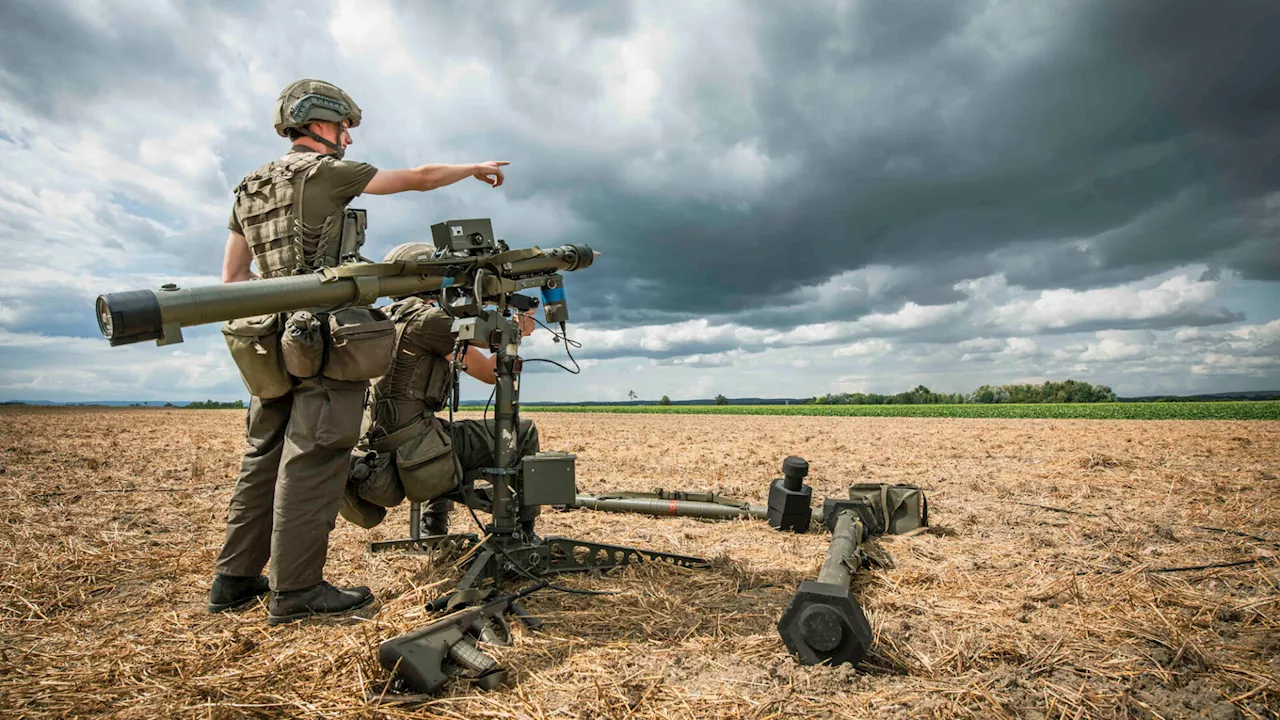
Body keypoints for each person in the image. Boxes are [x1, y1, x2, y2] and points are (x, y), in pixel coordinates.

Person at [208, 78, 510, 625]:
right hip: (322, 342)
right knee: (315, 457)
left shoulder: (248, 187)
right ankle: (296, 590)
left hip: (266, 344)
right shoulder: (324, 172)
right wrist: (471, 168)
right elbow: (416, 180)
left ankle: (234, 580)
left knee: (264, 458)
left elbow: (233, 277)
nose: (347, 136)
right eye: (343, 125)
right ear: (319, 122)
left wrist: (279, 310)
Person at [338, 247, 541, 539]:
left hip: (379, 441)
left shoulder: (382, 316)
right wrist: (516, 332)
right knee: (523, 432)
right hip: (413, 445)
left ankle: (434, 523)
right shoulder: (429, 320)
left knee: (440, 430)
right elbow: (487, 373)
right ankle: (523, 532)